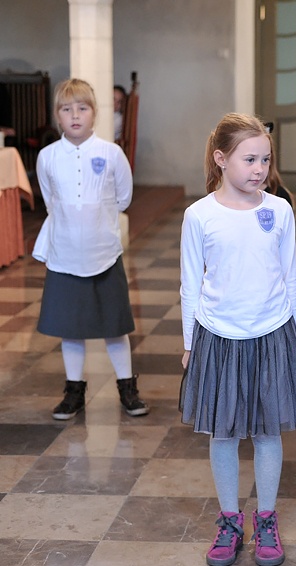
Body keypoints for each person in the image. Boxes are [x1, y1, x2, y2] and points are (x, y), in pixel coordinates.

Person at [180, 112, 296, 566]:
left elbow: (290, 277)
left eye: (266, 159)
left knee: (265, 430)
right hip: (218, 335)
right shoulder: (199, 215)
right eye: (249, 159)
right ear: (221, 159)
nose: (259, 169)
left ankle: (267, 520)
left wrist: (295, 333)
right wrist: (188, 341)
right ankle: (230, 520)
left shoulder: (279, 210)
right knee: (223, 432)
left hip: (271, 331)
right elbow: (189, 284)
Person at [32, 78, 148, 421]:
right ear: (58, 117)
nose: (75, 116)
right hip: (65, 254)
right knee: (71, 328)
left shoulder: (111, 154)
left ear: (95, 113)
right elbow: (51, 199)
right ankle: (73, 391)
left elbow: (124, 198)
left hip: (104, 253)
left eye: (82, 108)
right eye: (67, 110)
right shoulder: (47, 157)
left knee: (115, 326)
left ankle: (127, 388)